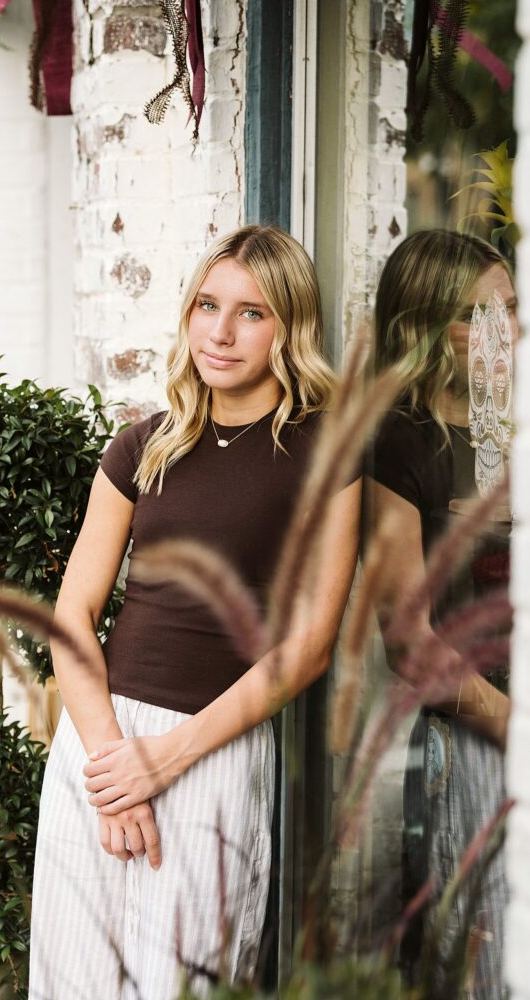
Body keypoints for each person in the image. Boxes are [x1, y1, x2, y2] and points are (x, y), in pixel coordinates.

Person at [28, 224, 361, 1000]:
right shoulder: (140, 446)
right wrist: (113, 766)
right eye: (207, 305)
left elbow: (309, 645)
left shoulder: (325, 454)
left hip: (211, 752)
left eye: (251, 312)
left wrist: (167, 758)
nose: (220, 331)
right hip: (99, 749)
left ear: (289, 327)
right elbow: (73, 613)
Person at [365, 229, 517, 1000]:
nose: (503, 332)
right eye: (474, 316)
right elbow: (407, 641)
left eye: (511, 309)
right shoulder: (400, 443)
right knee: (484, 963)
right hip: (474, 743)